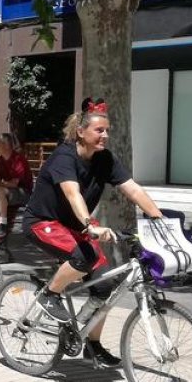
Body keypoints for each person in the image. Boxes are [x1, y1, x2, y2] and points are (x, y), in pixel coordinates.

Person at [24, 98, 164, 367]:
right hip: (42, 222)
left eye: (107, 130)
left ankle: (92, 343)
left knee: (104, 286)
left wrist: (158, 218)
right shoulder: (64, 157)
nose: (105, 136)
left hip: (75, 227)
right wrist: (91, 225)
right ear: (81, 132)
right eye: (99, 130)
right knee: (82, 257)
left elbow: (133, 189)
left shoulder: (105, 159)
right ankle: (50, 295)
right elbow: (72, 193)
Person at [0, 132, 33, 236]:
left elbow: (14, 184)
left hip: (23, 193)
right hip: (7, 193)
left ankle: (3, 224)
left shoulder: (18, 159)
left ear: (6, 145)